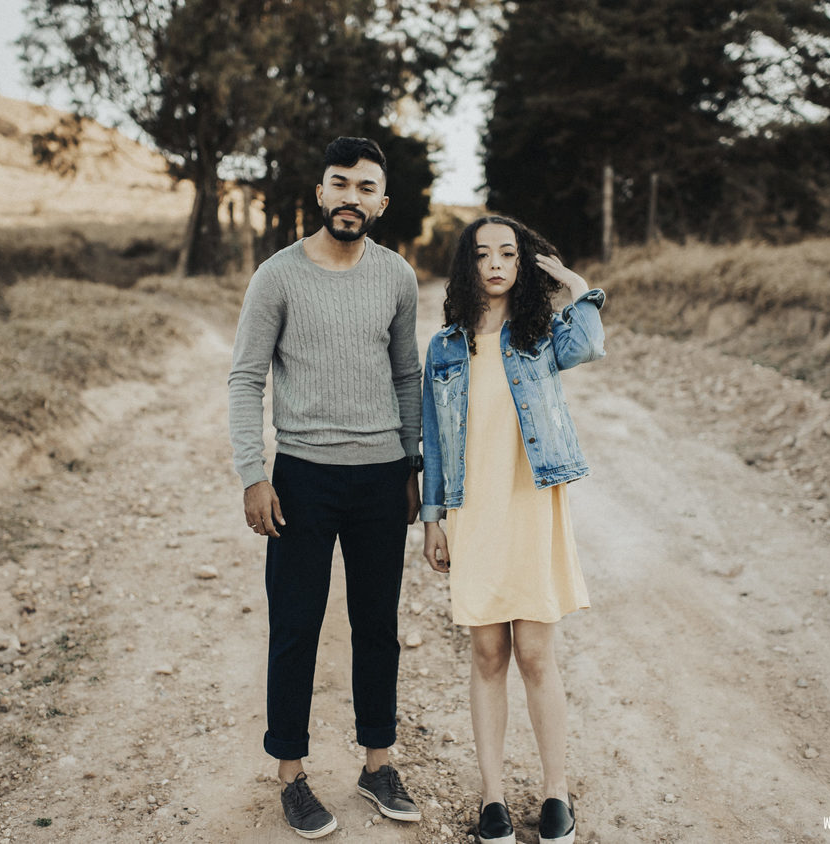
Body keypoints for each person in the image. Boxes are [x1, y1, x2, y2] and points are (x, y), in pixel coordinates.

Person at [227, 136, 424, 839]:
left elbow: (408, 375)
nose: (352, 197)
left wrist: (411, 465)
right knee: (296, 627)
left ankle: (377, 765)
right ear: (319, 193)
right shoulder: (277, 277)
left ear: (381, 202)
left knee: (377, 628)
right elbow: (246, 377)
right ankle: (292, 776)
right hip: (302, 479)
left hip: (379, 480)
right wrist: (254, 472)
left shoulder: (398, 277)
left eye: (365, 187)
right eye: (339, 183)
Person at [420, 215, 606, 844]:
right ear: (466, 266)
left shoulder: (539, 336)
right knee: (487, 652)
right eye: (482, 254)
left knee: (534, 653)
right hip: (475, 512)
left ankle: (556, 795)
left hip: (531, 506)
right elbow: (436, 445)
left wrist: (576, 283)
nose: (495, 263)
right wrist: (432, 519)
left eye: (508, 253)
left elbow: (590, 344)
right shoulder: (446, 346)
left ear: (523, 263)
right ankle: (493, 799)